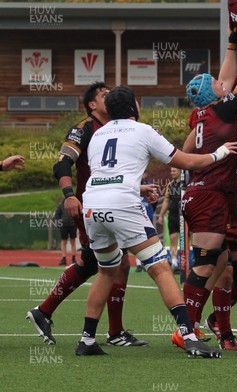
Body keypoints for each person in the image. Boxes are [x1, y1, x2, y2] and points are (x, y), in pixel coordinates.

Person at [75, 86, 237, 357]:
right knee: (161, 268)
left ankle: (87, 339)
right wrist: (218, 154)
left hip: (92, 203)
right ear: (132, 107)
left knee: (106, 271)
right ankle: (189, 337)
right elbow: (184, 161)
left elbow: (107, 172)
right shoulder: (142, 130)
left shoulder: (98, 134)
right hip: (122, 203)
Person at [27, 82, 147, 348]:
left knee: (109, 264)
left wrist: (138, 187)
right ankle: (48, 312)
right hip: (89, 206)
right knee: (104, 264)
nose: (110, 97)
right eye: (104, 95)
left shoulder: (116, 128)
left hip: (110, 203)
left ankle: (110, 330)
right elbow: (62, 162)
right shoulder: (84, 129)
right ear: (92, 105)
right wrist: (69, 195)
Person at [172, 21, 237, 351]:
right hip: (209, 194)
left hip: (217, 195)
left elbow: (185, 149)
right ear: (217, 94)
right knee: (208, 264)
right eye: (218, 83)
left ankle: (217, 330)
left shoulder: (201, 115)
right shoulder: (222, 110)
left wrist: (230, 44)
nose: (222, 82)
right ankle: (188, 330)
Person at [157, 167, 183, 272]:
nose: (172, 172)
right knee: (173, 238)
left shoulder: (186, 183)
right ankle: (174, 262)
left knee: (188, 239)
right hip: (173, 215)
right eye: (171, 171)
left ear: (180, 171)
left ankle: (190, 262)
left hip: (185, 215)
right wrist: (161, 215)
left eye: (174, 171)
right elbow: (166, 201)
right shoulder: (170, 185)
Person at [54, 199, 77, 266]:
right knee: (64, 242)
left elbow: (78, 214)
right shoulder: (61, 205)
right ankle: (63, 258)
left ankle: (73, 258)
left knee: (73, 241)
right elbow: (56, 216)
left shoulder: (74, 204)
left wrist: (76, 223)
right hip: (63, 226)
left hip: (73, 225)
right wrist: (59, 224)